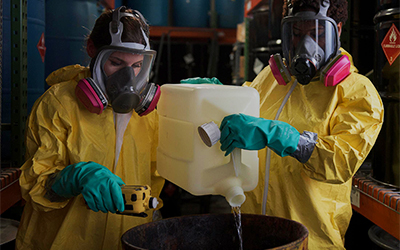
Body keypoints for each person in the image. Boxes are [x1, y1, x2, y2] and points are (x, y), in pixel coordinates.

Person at [198, 0, 384, 249]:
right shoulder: (271, 79)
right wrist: (215, 96)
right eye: (296, 34)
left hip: (311, 240)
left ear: (337, 30)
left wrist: (285, 137)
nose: (304, 44)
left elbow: (341, 161)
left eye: (317, 33)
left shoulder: (357, 92)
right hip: (255, 230)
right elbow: (242, 110)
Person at [16, 6, 164, 250]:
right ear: (92, 50)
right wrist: (75, 178)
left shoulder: (147, 116)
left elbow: (153, 184)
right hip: (60, 242)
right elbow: (35, 184)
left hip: (125, 241)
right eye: (116, 62)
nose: (128, 77)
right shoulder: (59, 104)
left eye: (137, 66)